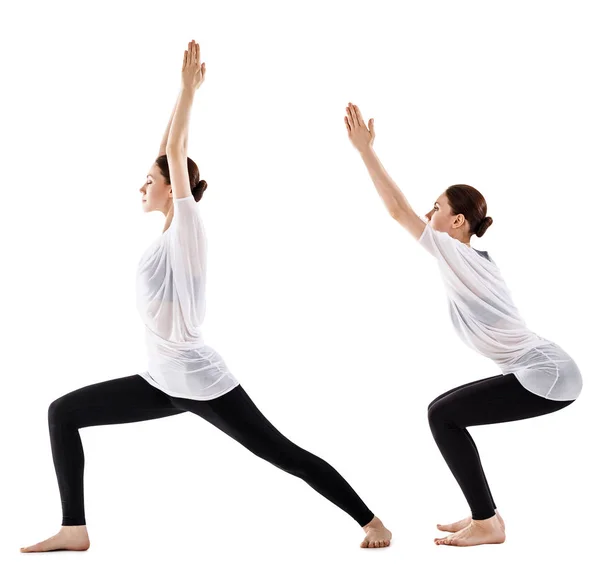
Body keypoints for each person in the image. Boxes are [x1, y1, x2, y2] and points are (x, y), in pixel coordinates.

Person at [19, 42, 392, 553]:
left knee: (287, 456)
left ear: (173, 189)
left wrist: (191, 94)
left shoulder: (188, 228)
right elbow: (166, 152)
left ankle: (373, 522)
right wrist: (178, 92)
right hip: (160, 381)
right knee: (63, 412)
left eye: (149, 181)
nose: (141, 184)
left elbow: (173, 156)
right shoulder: (169, 232)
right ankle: (74, 528)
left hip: (200, 380)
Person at [344, 102, 583, 547]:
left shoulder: (457, 253)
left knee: (443, 415)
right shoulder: (465, 261)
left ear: (456, 222)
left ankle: (487, 523)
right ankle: (487, 518)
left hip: (549, 373)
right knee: (443, 411)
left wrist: (365, 151)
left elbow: (397, 211)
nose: (426, 213)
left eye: (434, 207)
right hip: (545, 370)